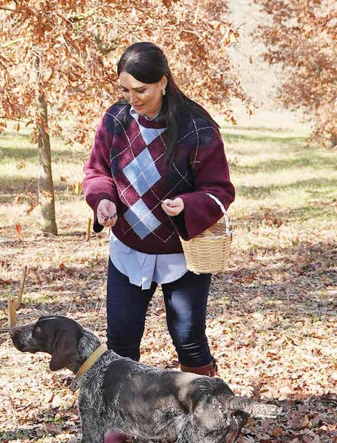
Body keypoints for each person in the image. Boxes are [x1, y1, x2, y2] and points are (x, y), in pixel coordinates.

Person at [83, 41, 234, 383]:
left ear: (163, 82)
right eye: (124, 90)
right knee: (121, 340)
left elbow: (220, 190)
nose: (132, 98)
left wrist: (188, 206)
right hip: (127, 249)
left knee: (189, 341)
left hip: (181, 254)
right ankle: (119, 416)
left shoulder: (197, 128)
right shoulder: (115, 120)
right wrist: (102, 200)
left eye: (141, 90)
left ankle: (207, 413)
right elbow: (96, 172)